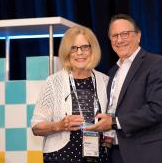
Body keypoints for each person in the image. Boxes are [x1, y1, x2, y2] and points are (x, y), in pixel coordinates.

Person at [85, 14, 162, 163]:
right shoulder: (112, 72)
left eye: (125, 34)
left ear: (138, 35)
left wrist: (115, 122)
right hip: (116, 152)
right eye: (114, 36)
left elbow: (157, 109)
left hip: (148, 153)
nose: (120, 40)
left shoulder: (156, 63)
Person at [31, 26, 110, 163]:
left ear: (93, 49)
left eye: (85, 47)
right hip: (61, 157)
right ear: (67, 52)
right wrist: (59, 126)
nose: (80, 53)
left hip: (99, 157)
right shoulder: (53, 82)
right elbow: (36, 127)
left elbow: (111, 121)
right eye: (74, 48)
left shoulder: (105, 80)